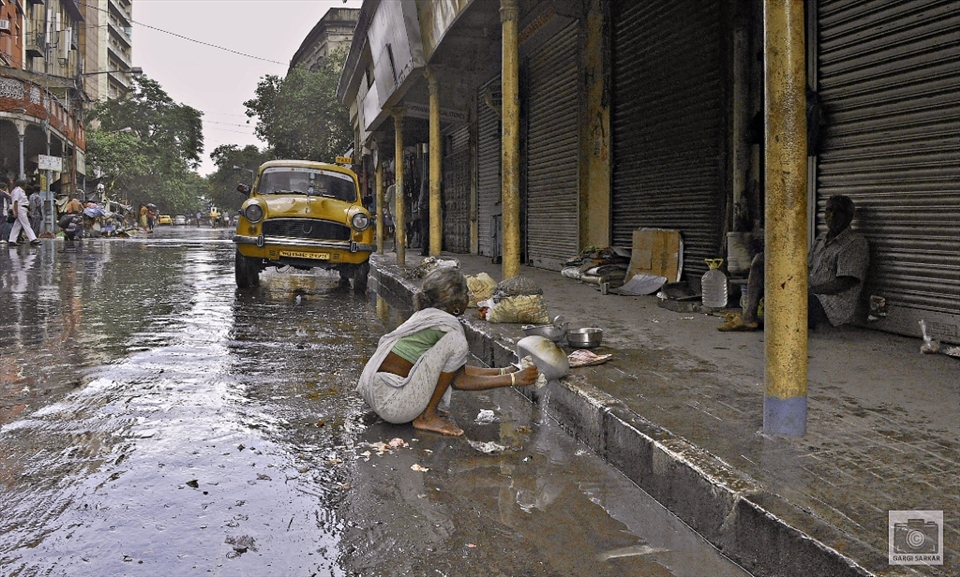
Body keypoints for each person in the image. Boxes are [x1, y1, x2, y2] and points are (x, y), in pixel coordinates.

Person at [357, 267, 540, 436]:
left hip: (376, 393)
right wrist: (514, 379)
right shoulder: (450, 329)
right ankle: (427, 417)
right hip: (393, 405)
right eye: (466, 294)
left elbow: (450, 370)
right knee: (457, 343)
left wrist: (503, 371)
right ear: (457, 303)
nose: (469, 297)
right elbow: (459, 380)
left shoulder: (426, 316)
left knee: (454, 348)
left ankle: (426, 412)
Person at [719, 194, 869, 331]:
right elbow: (806, 268)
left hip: (829, 304)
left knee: (789, 302)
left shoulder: (854, 243)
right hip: (808, 293)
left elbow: (846, 282)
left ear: (849, 216)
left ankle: (766, 322)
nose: (832, 215)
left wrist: (806, 291)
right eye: (829, 210)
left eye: (839, 211)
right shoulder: (821, 240)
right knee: (762, 260)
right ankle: (749, 317)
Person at [7, 179, 39, 246]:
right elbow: (15, 202)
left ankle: (12, 240)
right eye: (25, 184)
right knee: (26, 224)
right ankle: (33, 239)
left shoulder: (20, 191)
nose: (26, 186)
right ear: (22, 185)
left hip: (22, 208)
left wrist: (26, 210)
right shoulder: (17, 191)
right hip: (20, 208)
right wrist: (15, 211)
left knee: (17, 225)